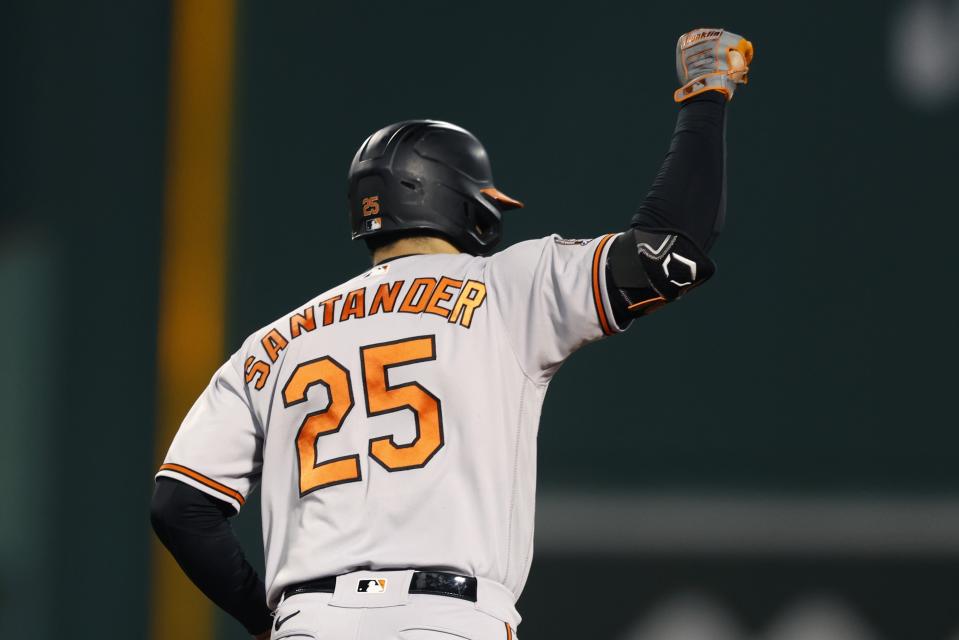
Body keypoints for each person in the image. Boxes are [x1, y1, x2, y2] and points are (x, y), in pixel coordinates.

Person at [151, 27, 753, 640]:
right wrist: (706, 98)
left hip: (311, 620)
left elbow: (181, 508)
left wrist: (269, 619)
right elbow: (669, 251)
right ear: (466, 204)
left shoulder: (272, 345)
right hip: (444, 619)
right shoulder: (506, 288)